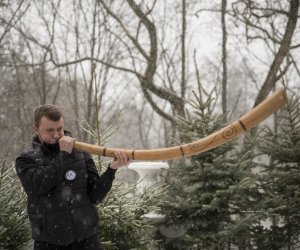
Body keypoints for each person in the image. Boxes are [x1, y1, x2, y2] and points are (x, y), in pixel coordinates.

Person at [15, 104, 130, 250]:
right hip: (50, 242)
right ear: (36, 129)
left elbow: (96, 196)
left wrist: (112, 170)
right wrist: (63, 155)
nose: (57, 135)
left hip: (88, 239)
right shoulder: (25, 160)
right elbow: (39, 186)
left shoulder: (81, 153)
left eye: (60, 129)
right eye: (50, 130)